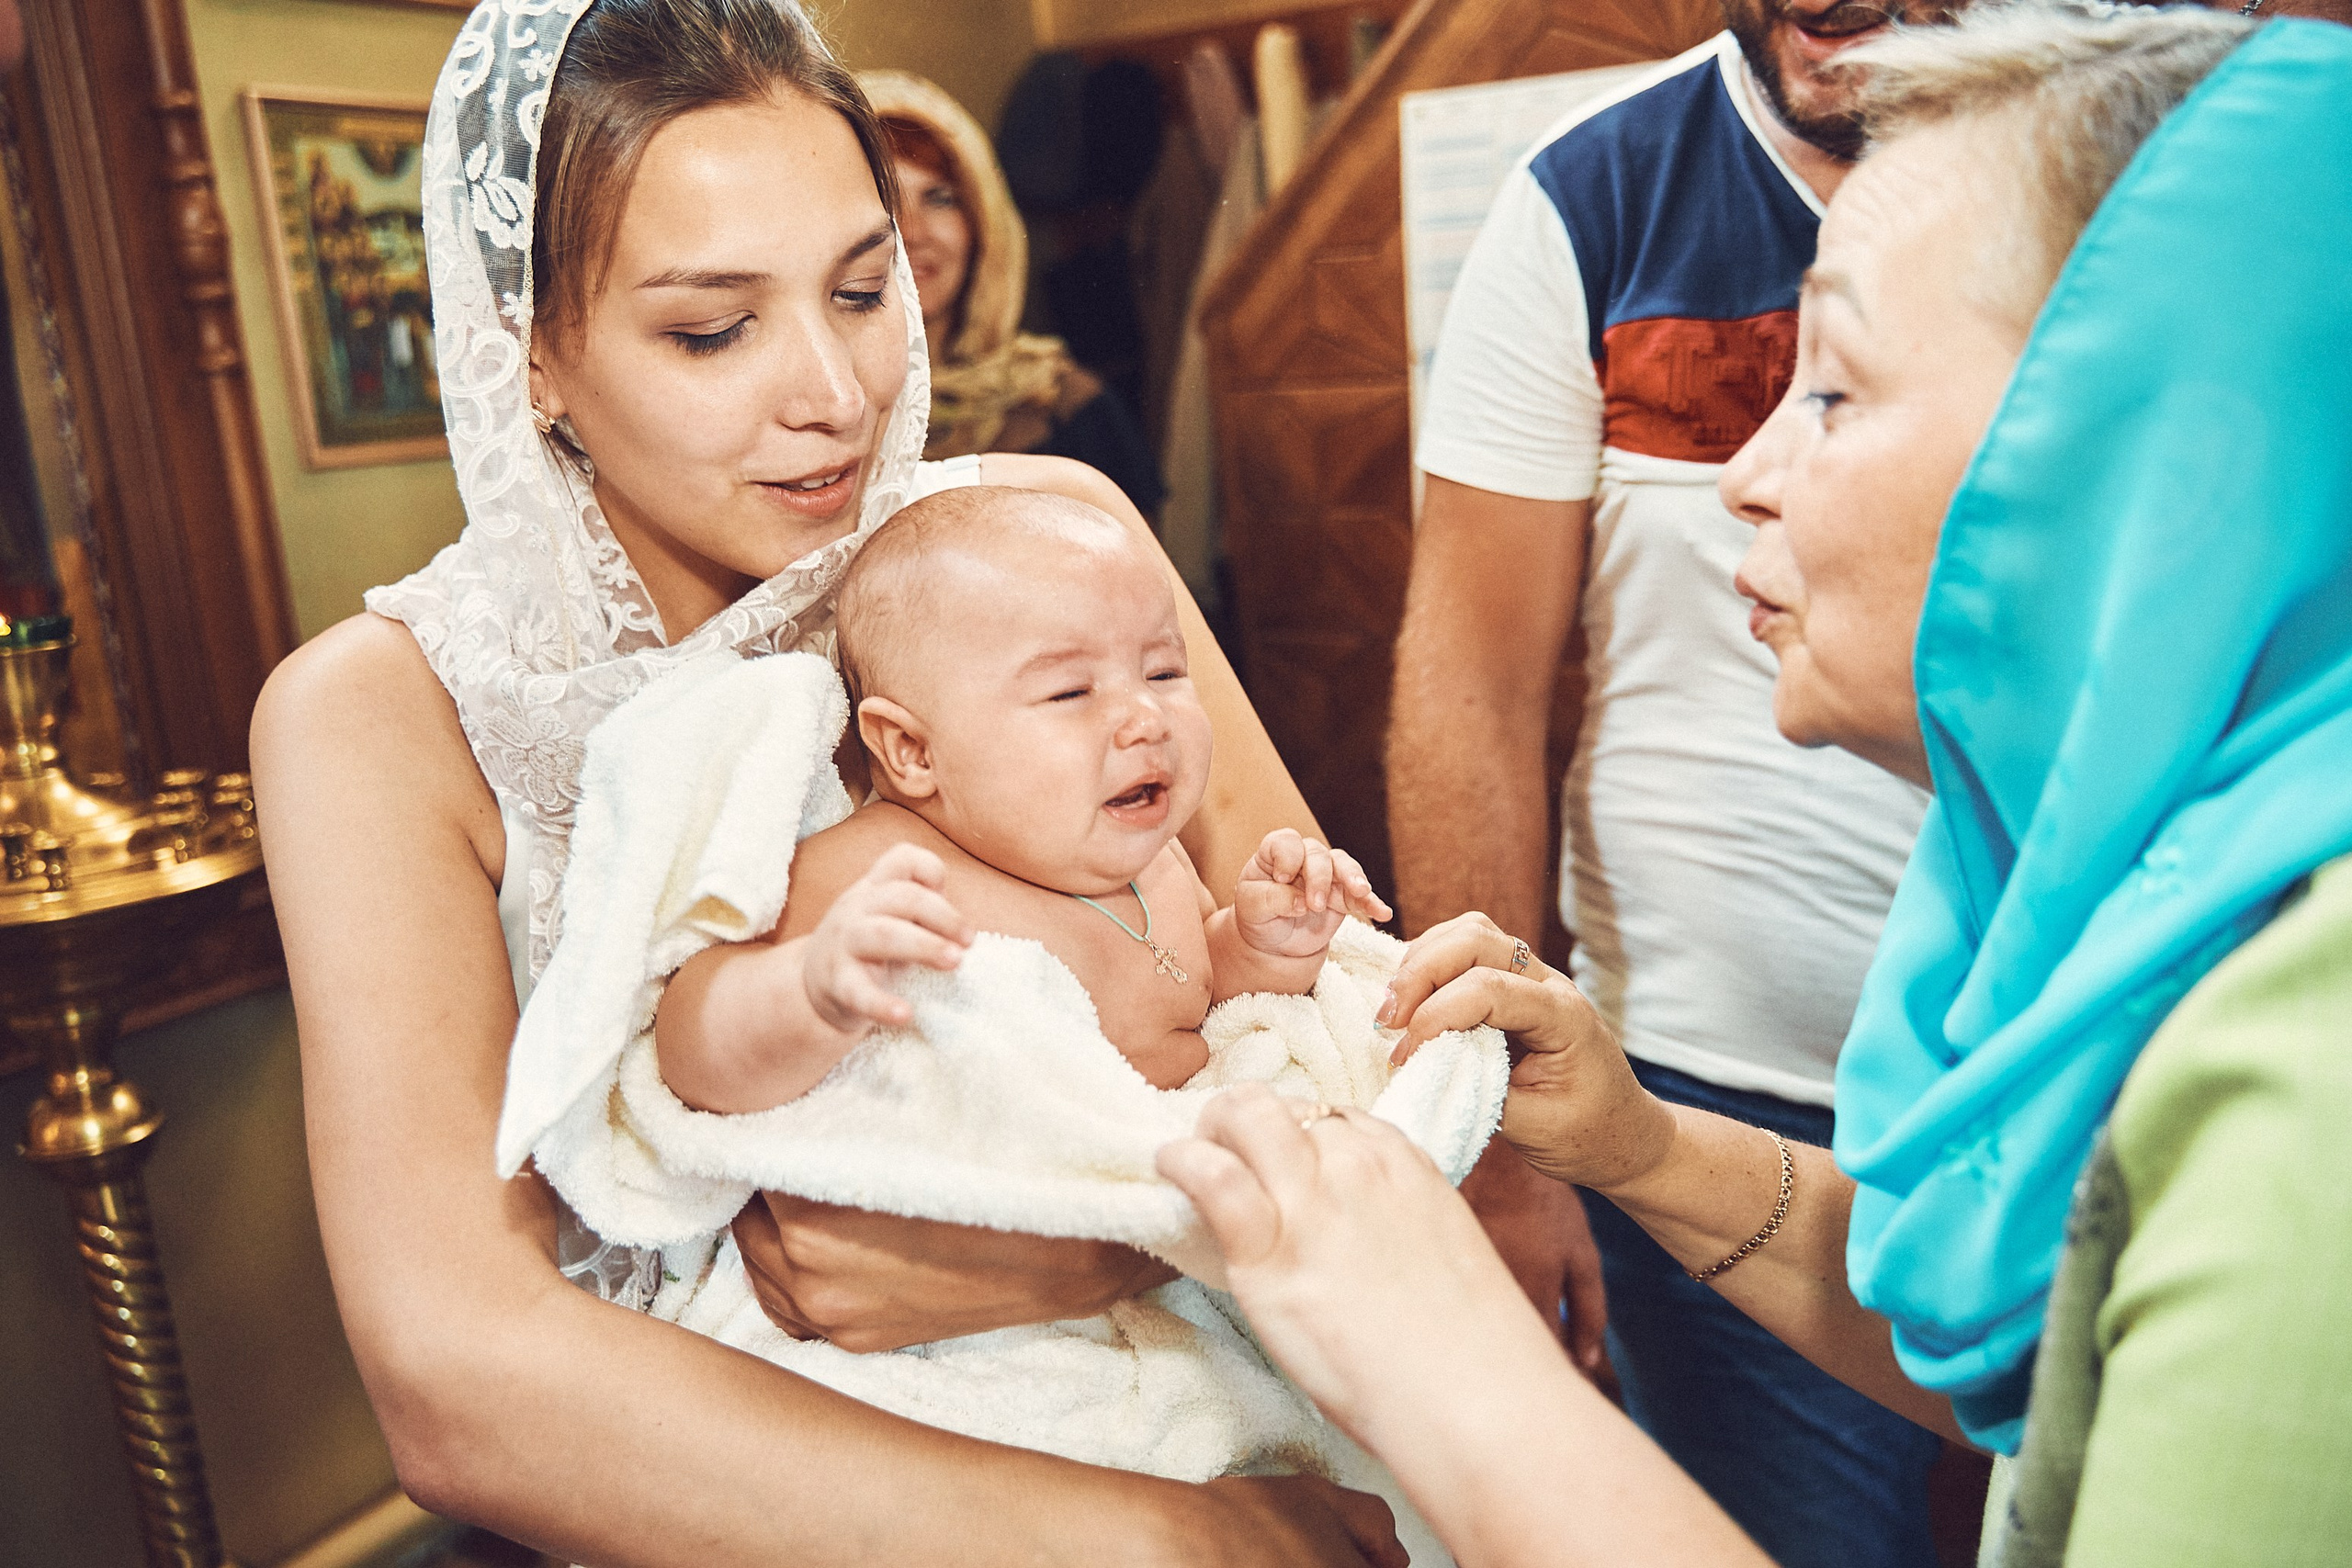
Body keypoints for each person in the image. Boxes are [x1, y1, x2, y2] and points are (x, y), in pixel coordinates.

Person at [1164, 6, 2352, 1565]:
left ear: (2123, 461)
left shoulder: (2303, 1089)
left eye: (1838, 391)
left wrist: (1439, 1353)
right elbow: (2065, 1364)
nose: (1745, 475)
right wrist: (1640, 1147)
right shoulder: (2166, 902)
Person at [251, 1, 1403, 1562]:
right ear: (533, 356)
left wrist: (1068, 1264)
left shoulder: (1046, 543)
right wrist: (1164, 1543)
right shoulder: (379, 719)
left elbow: (1344, 1030)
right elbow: (463, 1372)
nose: (838, 393)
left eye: (865, 290)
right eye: (713, 329)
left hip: (1231, 1398)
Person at [1386, 0, 1955, 1557]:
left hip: (2060, 1070)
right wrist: (1494, 1140)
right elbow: (1474, 679)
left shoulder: (2133, 169)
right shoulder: (1595, 198)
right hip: (1697, 1096)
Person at [859, 71, 1166, 521]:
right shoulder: (815, 418)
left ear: (983, 224)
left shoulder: (1064, 404)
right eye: (883, 200)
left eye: (940, 198)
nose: (912, 232)